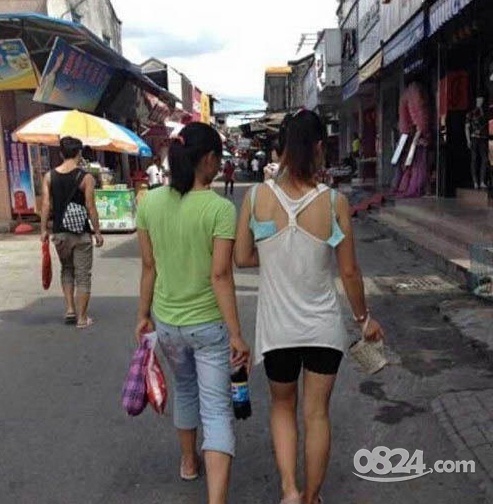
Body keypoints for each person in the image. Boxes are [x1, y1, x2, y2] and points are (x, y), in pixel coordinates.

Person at [234, 110, 384, 504]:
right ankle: (311, 497)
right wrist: (364, 319)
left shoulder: (256, 198)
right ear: (319, 147)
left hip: (277, 331)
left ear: (281, 147)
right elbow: (349, 271)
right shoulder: (334, 202)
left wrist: (275, 254)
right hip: (323, 330)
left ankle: (289, 490)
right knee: (316, 414)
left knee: (283, 407)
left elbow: (242, 257)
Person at [135, 122, 250, 504]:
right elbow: (220, 275)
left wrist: (142, 315)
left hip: (168, 324)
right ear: (208, 159)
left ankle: (188, 462)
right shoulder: (219, 209)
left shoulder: (149, 202)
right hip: (208, 327)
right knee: (216, 410)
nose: (219, 164)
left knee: (186, 389)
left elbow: (148, 266)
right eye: (218, 158)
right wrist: (236, 335)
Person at [40, 136, 104, 329]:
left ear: (61, 153)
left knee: (67, 269)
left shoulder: (49, 176)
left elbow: (45, 205)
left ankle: (70, 309)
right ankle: (82, 318)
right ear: (79, 153)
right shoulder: (86, 178)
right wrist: (97, 232)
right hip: (81, 233)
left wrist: (43, 229)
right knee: (83, 275)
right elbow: (90, 207)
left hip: (60, 233)